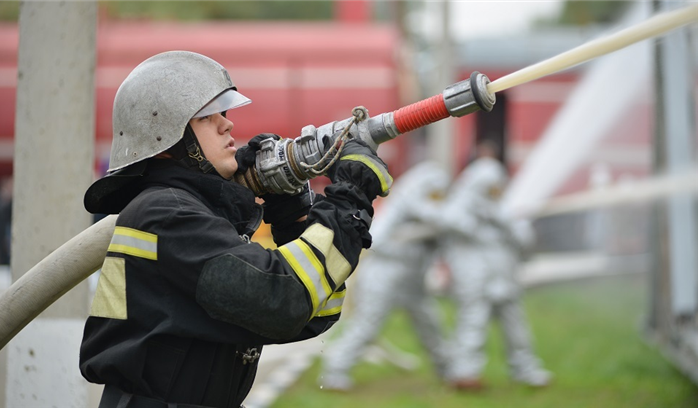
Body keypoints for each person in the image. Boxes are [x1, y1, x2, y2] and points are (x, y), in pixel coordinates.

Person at [79, 50, 392, 408]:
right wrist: (349, 199)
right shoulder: (165, 213)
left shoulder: (187, 213)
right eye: (206, 117)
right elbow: (282, 300)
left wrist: (292, 218)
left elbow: (312, 310)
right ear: (168, 138)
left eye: (223, 114)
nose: (227, 125)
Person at [320, 161, 452, 391]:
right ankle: (335, 371)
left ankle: (448, 370)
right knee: (367, 325)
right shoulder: (405, 203)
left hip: (413, 280)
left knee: (430, 323)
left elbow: (443, 225)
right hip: (385, 274)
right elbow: (377, 241)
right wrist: (418, 234)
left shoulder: (432, 210)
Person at [437, 141, 552, 390]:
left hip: (505, 279)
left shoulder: (506, 210)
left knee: (516, 329)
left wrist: (502, 220)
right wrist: (475, 221)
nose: (490, 193)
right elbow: (449, 224)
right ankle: (465, 372)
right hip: (476, 281)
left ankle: (525, 368)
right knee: (472, 325)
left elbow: (525, 239)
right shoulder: (459, 210)